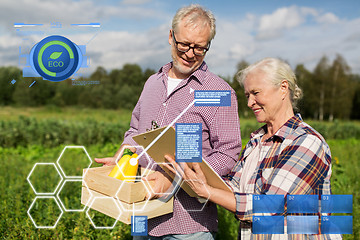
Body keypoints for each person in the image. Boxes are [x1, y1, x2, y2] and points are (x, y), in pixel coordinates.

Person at [95, 4, 242, 239]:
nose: (190, 53)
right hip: (142, 215)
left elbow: (228, 152)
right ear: (170, 36)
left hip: (188, 226)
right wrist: (120, 158)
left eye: (200, 48)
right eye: (184, 44)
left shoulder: (219, 92)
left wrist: (176, 175)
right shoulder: (152, 83)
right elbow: (135, 130)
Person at [163, 58, 342, 239]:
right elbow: (233, 187)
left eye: (256, 93)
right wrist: (199, 177)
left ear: (283, 89)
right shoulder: (256, 141)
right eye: (248, 95)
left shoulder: (306, 142)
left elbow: (271, 207)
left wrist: (207, 191)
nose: (250, 103)